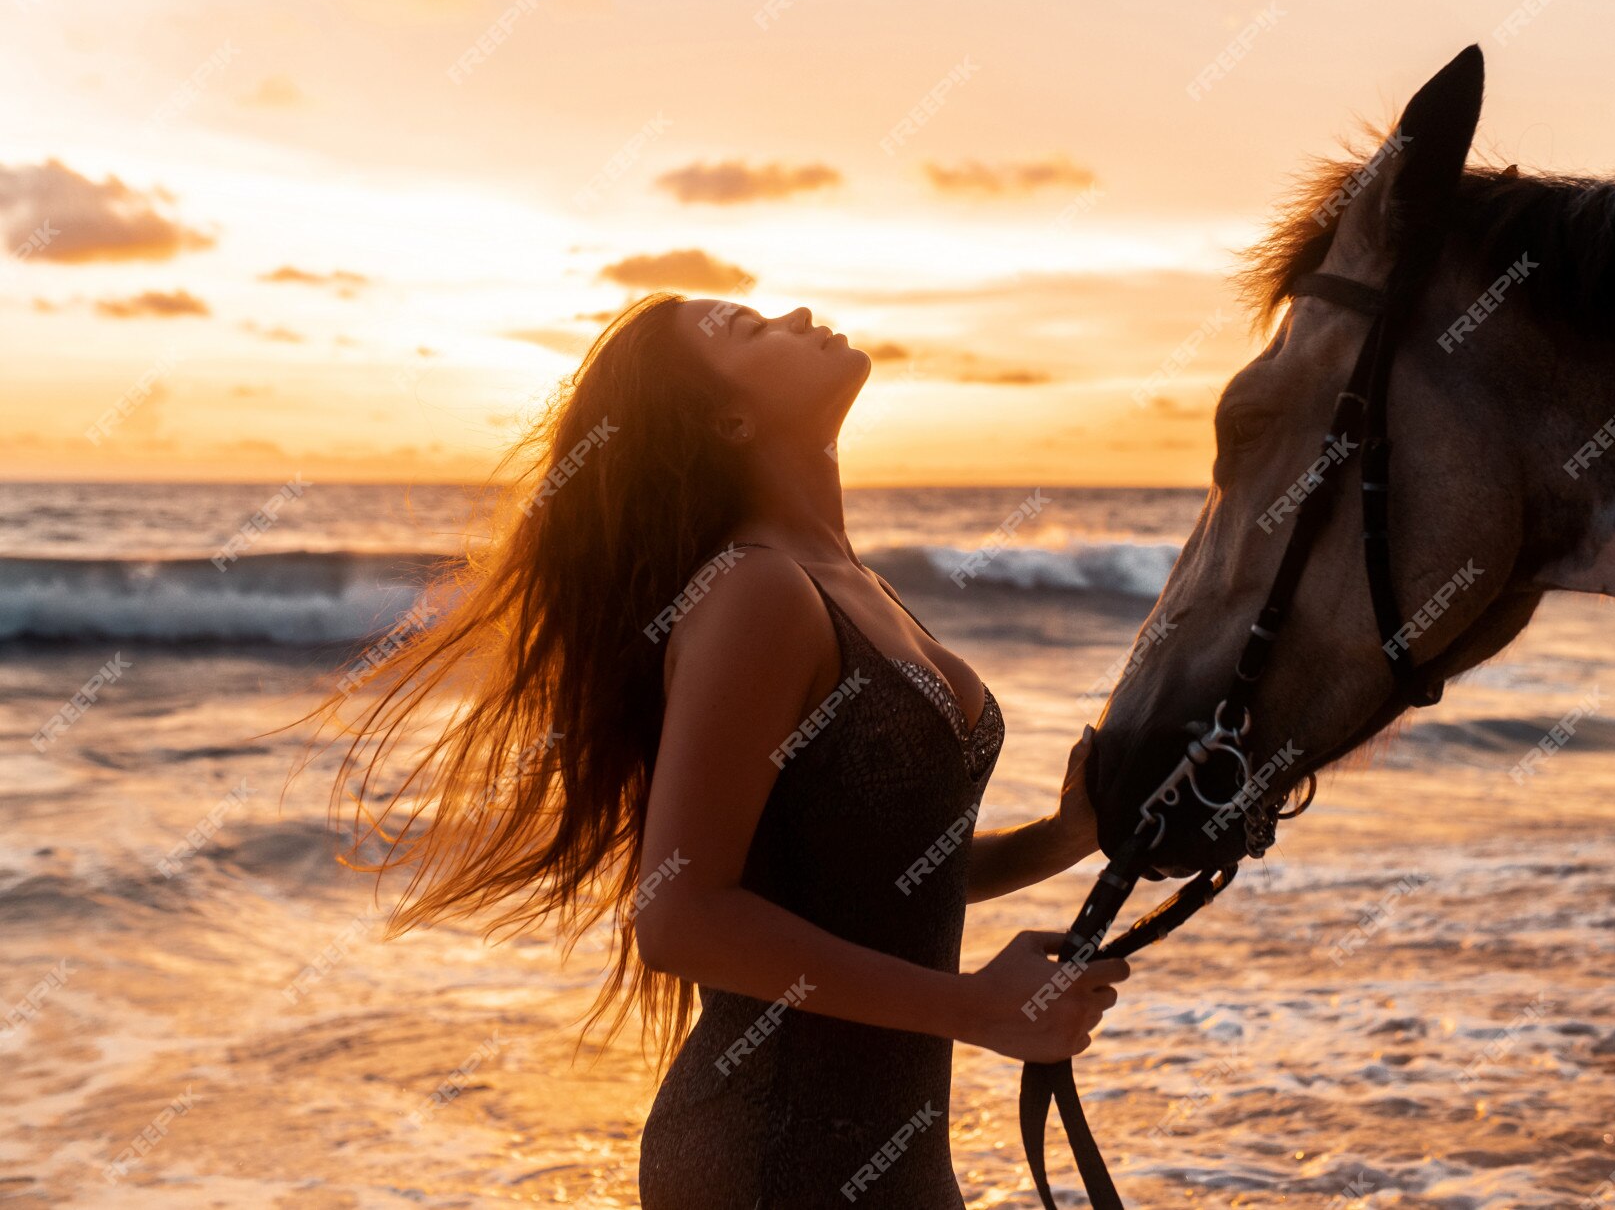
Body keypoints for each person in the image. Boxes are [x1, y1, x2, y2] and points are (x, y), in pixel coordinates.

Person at [312, 292, 1125, 1208]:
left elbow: (857, 873)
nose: (798, 312)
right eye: (748, 328)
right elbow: (681, 917)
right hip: (770, 1164)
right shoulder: (757, 592)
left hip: (893, 1164)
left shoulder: (851, 583)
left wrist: (1060, 838)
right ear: (728, 418)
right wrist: (976, 1008)